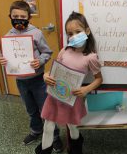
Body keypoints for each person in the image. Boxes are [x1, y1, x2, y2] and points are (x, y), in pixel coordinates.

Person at [35, 12, 103, 154]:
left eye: (78, 32)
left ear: (87, 31)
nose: (74, 36)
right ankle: (44, 150)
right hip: (54, 96)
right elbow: (54, 71)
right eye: (70, 33)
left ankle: (76, 148)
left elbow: (99, 79)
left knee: (72, 126)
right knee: (48, 124)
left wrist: (85, 89)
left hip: (72, 97)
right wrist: (46, 75)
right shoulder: (64, 51)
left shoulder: (90, 57)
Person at [0, 1, 63, 152]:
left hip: (38, 80)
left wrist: (40, 61)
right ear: (10, 17)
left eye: (22, 16)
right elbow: (6, 55)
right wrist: (3, 59)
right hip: (21, 81)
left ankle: (55, 136)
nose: (19, 19)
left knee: (45, 109)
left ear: (29, 17)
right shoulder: (8, 36)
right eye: (15, 16)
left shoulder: (36, 33)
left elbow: (47, 52)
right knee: (31, 109)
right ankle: (36, 130)